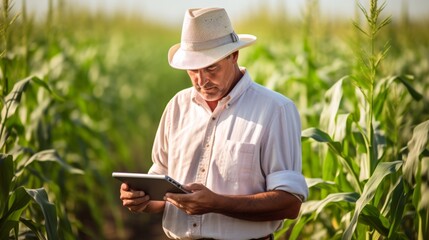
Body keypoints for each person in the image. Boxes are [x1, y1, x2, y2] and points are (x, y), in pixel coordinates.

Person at [120, 7, 308, 240]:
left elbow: (289, 204)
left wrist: (217, 203)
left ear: (234, 56)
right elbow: (162, 187)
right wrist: (142, 200)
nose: (201, 81)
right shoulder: (177, 106)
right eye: (193, 70)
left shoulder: (275, 110)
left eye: (211, 68)